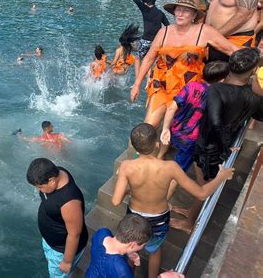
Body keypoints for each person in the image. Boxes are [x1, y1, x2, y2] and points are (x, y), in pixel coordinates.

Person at [112, 123, 234, 278]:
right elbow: (202, 194)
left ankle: (129, 274)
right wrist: (220, 177)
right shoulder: (170, 167)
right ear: (157, 144)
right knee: (155, 250)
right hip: (159, 219)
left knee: (131, 250)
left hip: (134, 217)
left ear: (134, 146)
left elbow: (116, 201)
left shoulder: (126, 166)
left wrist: (131, 190)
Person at [172, 48, 263, 233]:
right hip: (220, 145)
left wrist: (223, 148)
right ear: (252, 71)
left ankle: (189, 223)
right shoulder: (252, 96)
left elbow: (215, 122)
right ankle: (191, 212)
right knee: (203, 183)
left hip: (209, 147)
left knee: (204, 186)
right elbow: (259, 116)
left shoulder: (217, 89)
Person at [130, 0, 239, 128]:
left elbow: (232, 50)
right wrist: (136, 84)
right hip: (161, 85)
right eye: (178, 9)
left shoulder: (204, 31)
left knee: (174, 130)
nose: (180, 14)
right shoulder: (164, 32)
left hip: (189, 89)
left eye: (186, 10)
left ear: (194, 15)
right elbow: (148, 59)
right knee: (148, 126)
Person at [159, 61, 230, 171]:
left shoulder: (191, 86)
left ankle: (160, 157)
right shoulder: (218, 97)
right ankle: (172, 179)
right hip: (191, 139)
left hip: (176, 128)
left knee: (166, 139)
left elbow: (172, 108)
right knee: (180, 167)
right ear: (222, 80)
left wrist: (165, 129)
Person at [26, 158, 88, 277]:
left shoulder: (69, 203)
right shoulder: (57, 171)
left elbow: (74, 234)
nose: (38, 190)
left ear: (52, 180)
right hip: (51, 241)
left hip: (62, 250)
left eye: (40, 187)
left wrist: (67, 261)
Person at [85, 214, 152, 278]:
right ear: (132, 245)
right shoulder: (122, 270)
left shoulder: (102, 232)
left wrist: (127, 254)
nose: (143, 247)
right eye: (143, 245)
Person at [120, 0, 170, 67]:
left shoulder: (144, 9)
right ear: (154, 2)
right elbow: (168, 27)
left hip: (146, 41)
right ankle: (150, 77)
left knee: (138, 58)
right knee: (152, 61)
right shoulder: (160, 13)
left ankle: (139, 76)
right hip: (156, 42)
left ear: (146, 2)